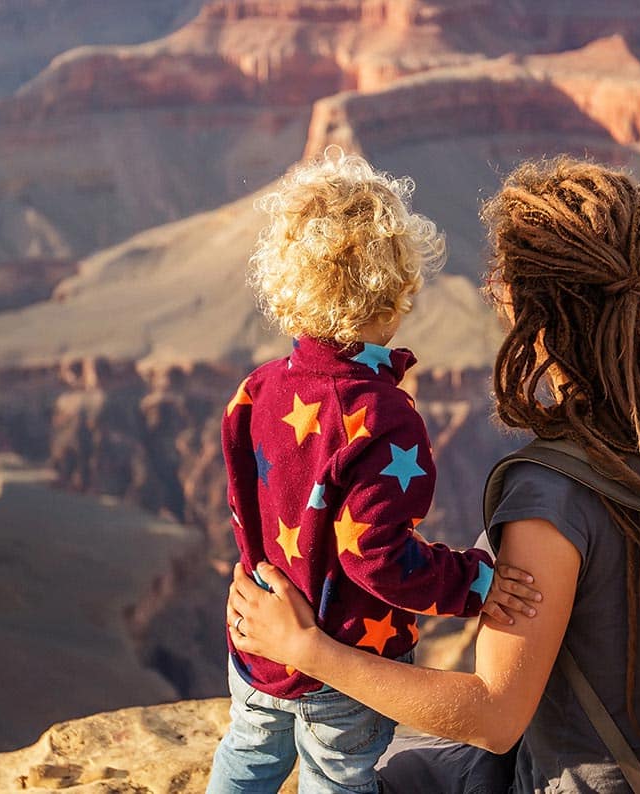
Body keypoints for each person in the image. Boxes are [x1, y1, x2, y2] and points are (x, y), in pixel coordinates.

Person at [227, 157, 640, 793]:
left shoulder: (552, 496)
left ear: (535, 311)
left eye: (499, 277)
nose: (489, 287)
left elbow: (493, 717)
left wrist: (305, 650)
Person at [209, 151, 544, 794]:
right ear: (395, 292)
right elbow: (376, 559)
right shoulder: (382, 418)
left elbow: (245, 506)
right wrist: (476, 583)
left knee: (248, 752)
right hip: (345, 658)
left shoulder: (256, 390)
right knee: (337, 777)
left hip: (257, 637)